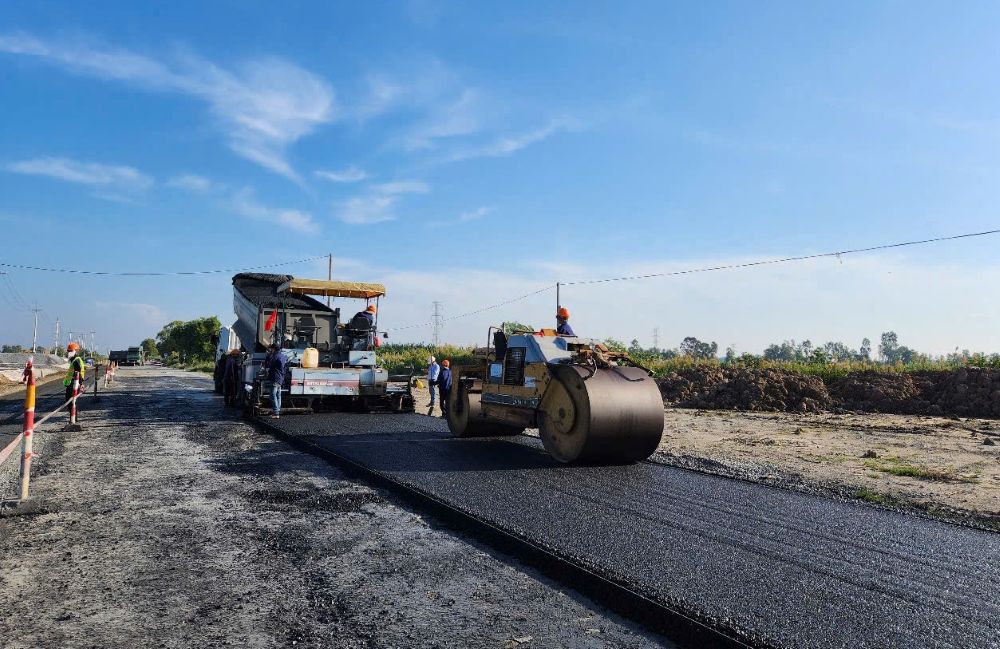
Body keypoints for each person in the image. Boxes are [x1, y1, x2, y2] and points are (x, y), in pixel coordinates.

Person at [265, 343, 288, 419]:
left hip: (275, 377)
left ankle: (276, 412)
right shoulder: (283, 356)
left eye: (271, 349)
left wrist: (268, 355)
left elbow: (269, 364)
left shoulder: (274, 356)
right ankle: (277, 411)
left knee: (272, 395)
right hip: (281, 377)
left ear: (274, 349)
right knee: (278, 395)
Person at [63, 342, 86, 411]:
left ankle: (73, 418)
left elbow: (78, 372)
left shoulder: (76, 360)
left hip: (73, 384)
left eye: (71, 351)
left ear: (75, 351)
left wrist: (81, 384)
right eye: (68, 351)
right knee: (71, 401)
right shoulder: (74, 360)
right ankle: (73, 417)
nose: (69, 352)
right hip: (71, 383)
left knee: (70, 401)